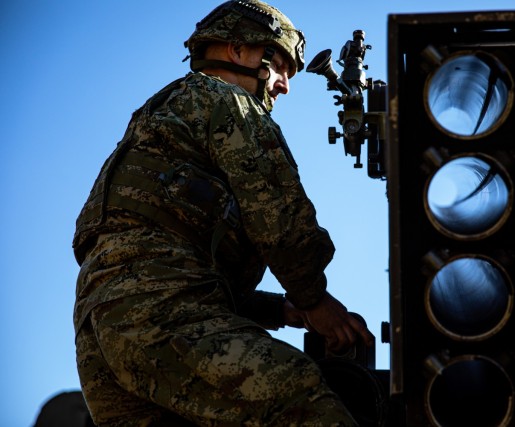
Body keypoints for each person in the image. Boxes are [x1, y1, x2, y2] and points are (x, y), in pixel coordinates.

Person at [72, 1, 375, 425]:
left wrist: (281, 310)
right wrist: (315, 300)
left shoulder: (161, 116)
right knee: (299, 397)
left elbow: (163, 256)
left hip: (102, 328)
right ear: (238, 50)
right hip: (156, 312)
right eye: (283, 66)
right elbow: (279, 215)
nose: (286, 85)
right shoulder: (224, 102)